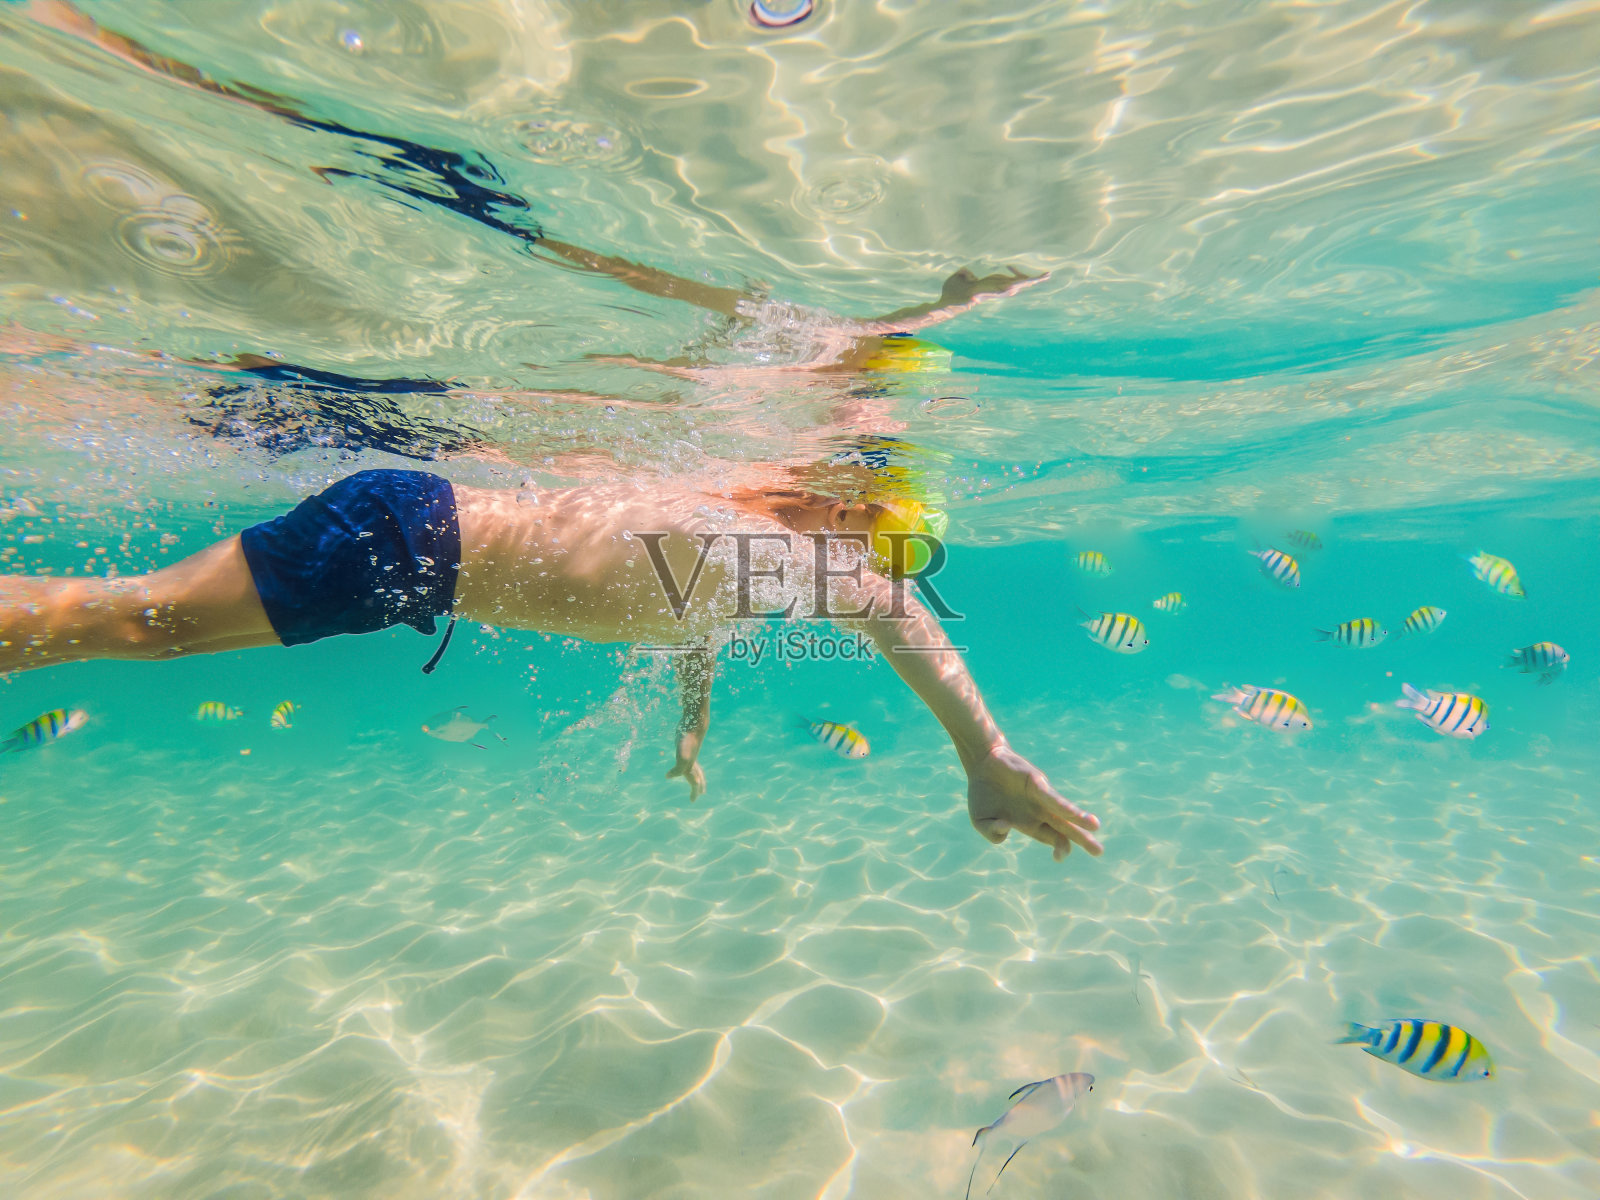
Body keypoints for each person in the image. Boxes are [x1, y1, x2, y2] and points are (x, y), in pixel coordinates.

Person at [0, 468, 1103, 864]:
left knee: (140, 629)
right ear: (828, 508)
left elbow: (689, 641)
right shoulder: (775, 547)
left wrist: (688, 739)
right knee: (132, 623)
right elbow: (901, 614)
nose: (867, 549)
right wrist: (987, 753)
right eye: (867, 523)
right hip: (408, 539)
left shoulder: (743, 562)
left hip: (409, 566)